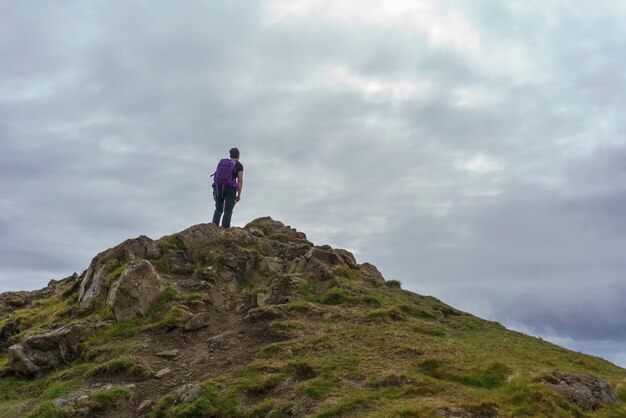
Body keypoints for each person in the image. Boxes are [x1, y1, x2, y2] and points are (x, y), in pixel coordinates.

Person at [212, 147, 244, 228]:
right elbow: (240, 181)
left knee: (218, 209)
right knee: (228, 210)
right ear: (238, 155)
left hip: (219, 187)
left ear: (230, 155)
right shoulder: (239, 165)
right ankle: (225, 230)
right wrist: (239, 195)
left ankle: (213, 228)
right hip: (231, 189)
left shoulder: (223, 162)